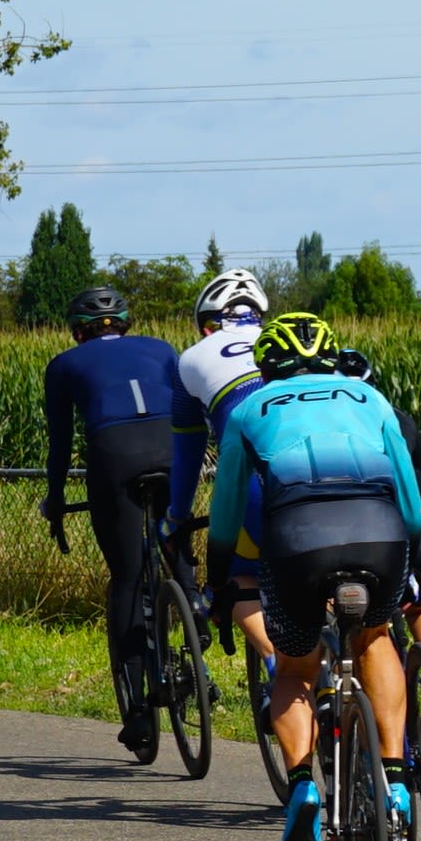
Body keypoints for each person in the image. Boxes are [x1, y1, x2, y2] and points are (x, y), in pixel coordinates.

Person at [210, 309, 421, 841]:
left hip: (297, 542)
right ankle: (397, 784)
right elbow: (407, 497)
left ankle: (303, 785)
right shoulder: (371, 400)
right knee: (376, 638)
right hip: (379, 535)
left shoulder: (249, 407)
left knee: (296, 671)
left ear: (268, 364)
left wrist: (217, 584)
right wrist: (400, 557)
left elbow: (227, 513)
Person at [43, 282, 182, 760]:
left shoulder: (64, 364)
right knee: (174, 531)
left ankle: (139, 710)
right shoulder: (162, 348)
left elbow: (60, 441)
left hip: (114, 453)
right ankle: (195, 607)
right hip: (170, 445)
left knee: (126, 577)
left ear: (79, 331)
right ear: (125, 323)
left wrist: (56, 498)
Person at [169, 267, 275, 686]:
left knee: (236, 575)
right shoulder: (293, 346)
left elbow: (188, 451)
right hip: (352, 482)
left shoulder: (194, 357)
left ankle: (274, 661)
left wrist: (177, 517)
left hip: (256, 486)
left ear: (207, 323)